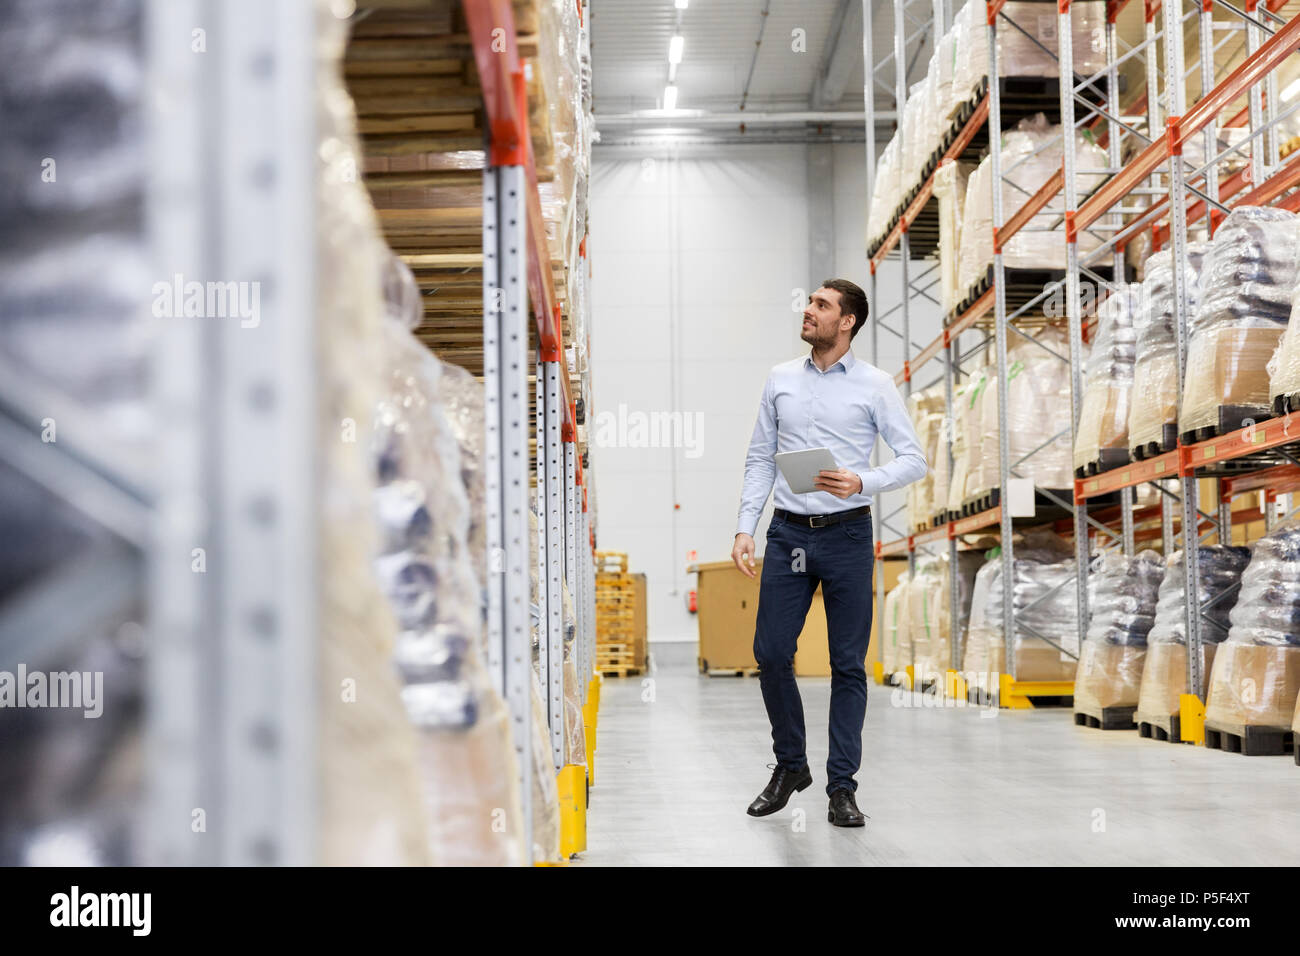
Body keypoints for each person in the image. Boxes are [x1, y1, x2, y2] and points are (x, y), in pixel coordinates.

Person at [733, 279, 927, 827]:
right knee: (772, 652)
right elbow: (759, 460)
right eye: (810, 302)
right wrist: (746, 527)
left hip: (846, 537)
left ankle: (842, 787)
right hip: (789, 536)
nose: (809, 310)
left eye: (821, 306)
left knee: (847, 664)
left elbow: (914, 460)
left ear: (847, 322)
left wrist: (861, 480)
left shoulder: (875, 385)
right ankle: (791, 765)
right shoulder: (780, 380)